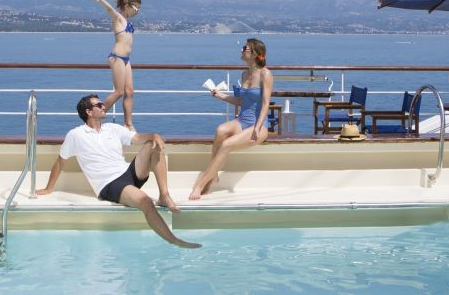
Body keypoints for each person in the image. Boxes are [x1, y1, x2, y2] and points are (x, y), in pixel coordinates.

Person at [36, 94, 200, 248]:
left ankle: (164, 195)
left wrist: (154, 135)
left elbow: (136, 138)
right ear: (88, 111)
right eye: (99, 105)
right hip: (110, 184)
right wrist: (49, 188)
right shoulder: (76, 135)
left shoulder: (112, 128)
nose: (103, 106)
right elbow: (60, 161)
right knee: (146, 202)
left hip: (128, 173)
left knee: (152, 144)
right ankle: (175, 241)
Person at [189, 38, 273, 200]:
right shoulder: (245, 74)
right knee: (220, 130)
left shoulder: (265, 74)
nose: (242, 50)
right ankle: (213, 175)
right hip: (242, 121)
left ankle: (201, 184)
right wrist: (221, 96)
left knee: (226, 144)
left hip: (259, 126)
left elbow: (265, 104)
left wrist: (257, 127)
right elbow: (242, 101)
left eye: (245, 48)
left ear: (255, 53)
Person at [91, 0, 141, 130]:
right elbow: (110, 10)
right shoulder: (119, 18)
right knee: (119, 92)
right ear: (127, 5)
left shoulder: (127, 21)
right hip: (117, 57)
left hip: (126, 59)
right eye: (136, 7)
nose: (137, 10)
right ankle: (95, 118)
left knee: (129, 91)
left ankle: (128, 124)